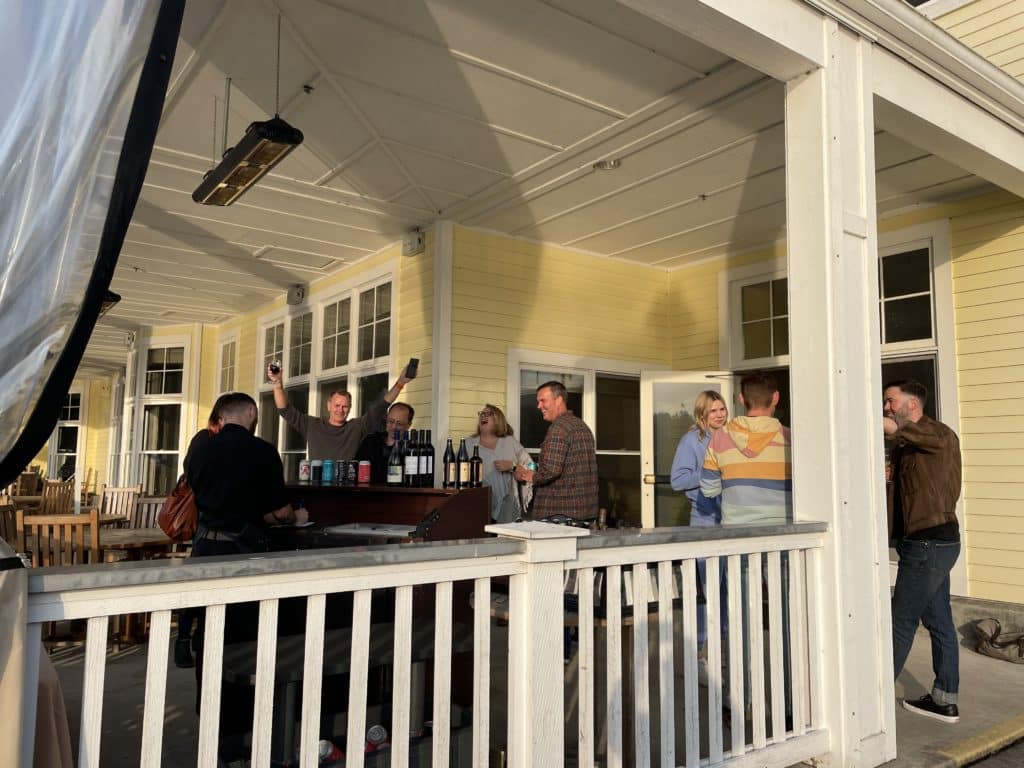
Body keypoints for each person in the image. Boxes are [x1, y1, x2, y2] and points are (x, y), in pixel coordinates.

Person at [185, 392, 308, 761]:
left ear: (220, 416)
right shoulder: (262, 451)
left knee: (209, 641)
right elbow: (279, 511)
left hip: (204, 552)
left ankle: (211, 724)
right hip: (243, 557)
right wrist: (296, 518)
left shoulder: (199, 448)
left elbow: (203, 492)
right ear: (252, 413)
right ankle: (244, 730)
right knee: (245, 642)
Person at [884, 379, 962, 724]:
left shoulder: (939, 435)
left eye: (891, 401)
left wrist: (895, 429)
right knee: (939, 621)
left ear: (911, 405)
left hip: (929, 543)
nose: (887, 407)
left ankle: (873, 699)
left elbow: (920, 438)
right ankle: (944, 699)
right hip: (925, 543)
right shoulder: (908, 445)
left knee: (900, 622)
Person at [670, 390, 728, 681]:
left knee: (727, 593)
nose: (720, 414)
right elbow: (677, 480)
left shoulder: (730, 437)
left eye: (723, 409)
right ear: (702, 413)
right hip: (704, 522)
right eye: (714, 410)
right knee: (706, 594)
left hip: (730, 523)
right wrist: (709, 471)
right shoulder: (692, 441)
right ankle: (699, 657)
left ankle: (720, 651)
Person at [174, 393, 232, 669]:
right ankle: (185, 639)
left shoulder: (212, 443)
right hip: (203, 522)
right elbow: (191, 472)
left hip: (207, 524)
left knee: (202, 580)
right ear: (219, 419)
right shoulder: (205, 441)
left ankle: (195, 638)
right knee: (199, 582)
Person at [267, 364, 413, 461]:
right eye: (337, 405)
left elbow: (380, 406)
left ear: (349, 409)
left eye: (345, 406)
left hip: (346, 493)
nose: (340, 410)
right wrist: (277, 384)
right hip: (317, 490)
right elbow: (285, 410)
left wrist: (400, 383)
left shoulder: (356, 427)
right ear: (329, 406)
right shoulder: (312, 425)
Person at [700, 371, 792, 524]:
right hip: (783, 536)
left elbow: (709, 490)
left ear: (741, 399)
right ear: (775, 397)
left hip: (736, 537)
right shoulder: (790, 438)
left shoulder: (720, 438)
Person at [513, 381, 598, 522]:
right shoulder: (582, 426)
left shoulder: (558, 429)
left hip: (559, 513)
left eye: (543, 401)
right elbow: (568, 467)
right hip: (584, 511)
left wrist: (529, 476)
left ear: (558, 400)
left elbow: (551, 471)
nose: (539, 406)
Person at [466, 404, 533, 522]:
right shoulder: (468, 444)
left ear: (499, 420)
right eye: (482, 414)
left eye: (489, 414)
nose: (483, 416)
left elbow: (532, 467)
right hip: (478, 505)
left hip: (507, 508)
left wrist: (513, 466)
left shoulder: (510, 442)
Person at [355, 402, 415, 484]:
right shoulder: (370, 441)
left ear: (408, 425)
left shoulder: (411, 450)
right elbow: (355, 469)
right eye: (391, 421)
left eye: (399, 423)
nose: (394, 427)